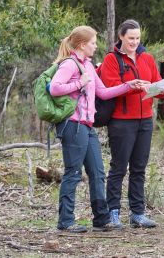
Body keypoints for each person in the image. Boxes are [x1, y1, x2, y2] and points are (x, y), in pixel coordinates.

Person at [50, 26, 147, 233]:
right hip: (73, 125)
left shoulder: (89, 66)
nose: (96, 46)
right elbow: (55, 88)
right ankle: (66, 221)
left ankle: (101, 219)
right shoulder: (70, 64)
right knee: (73, 173)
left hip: (87, 125)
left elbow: (103, 93)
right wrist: (79, 83)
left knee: (97, 172)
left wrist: (130, 85)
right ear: (83, 45)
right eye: (93, 42)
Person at [100, 19, 164, 229]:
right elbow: (110, 87)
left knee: (139, 168)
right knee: (118, 168)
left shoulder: (147, 58)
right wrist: (133, 87)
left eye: (137, 38)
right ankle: (113, 214)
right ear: (121, 36)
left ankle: (137, 214)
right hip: (121, 122)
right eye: (131, 38)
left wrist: (162, 91)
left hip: (145, 120)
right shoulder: (111, 60)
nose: (134, 42)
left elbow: (156, 82)